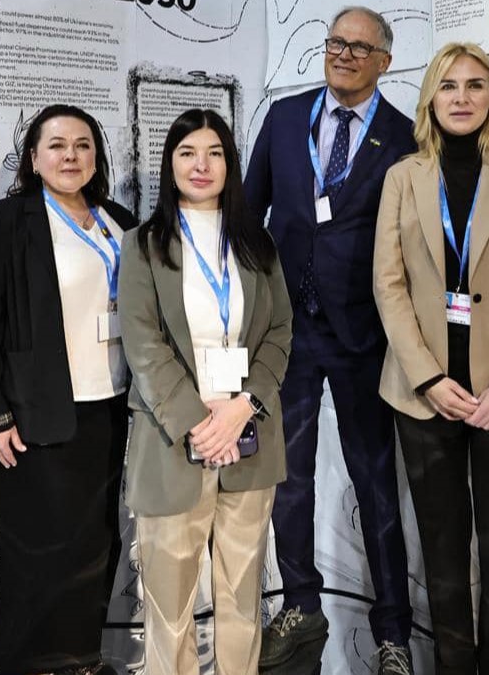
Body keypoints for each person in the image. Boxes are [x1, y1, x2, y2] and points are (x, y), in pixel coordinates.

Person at [373, 42, 489, 675]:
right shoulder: (403, 177)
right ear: (431, 97)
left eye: (476, 85)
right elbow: (388, 285)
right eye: (448, 86)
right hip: (425, 395)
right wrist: (427, 377)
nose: (461, 97)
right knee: (443, 555)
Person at [245, 6, 416, 675]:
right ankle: (300, 607)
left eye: (359, 47)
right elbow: (249, 214)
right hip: (287, 332)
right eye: (335, 43)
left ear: (384, 61)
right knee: (288, 478)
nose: (343, 54)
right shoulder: (286, 118)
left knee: (376, 485)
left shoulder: (404, 136)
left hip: (362, 336)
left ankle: (393, 633)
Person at [0, 104, 135, 675]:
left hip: (109, 406)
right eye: (57, 145)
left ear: (96, 158)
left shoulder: (120, 221)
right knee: (37, 551)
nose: (70, 156)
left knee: (95, 543)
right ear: (33, 158)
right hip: (36, 413)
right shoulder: (4, 222)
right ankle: (26, 666)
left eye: (82, 145)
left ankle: (81, 659)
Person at [118, 109, 292, 675]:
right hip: (174, 443)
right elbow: (143, 344)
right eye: (188, 152)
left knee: (242, 599)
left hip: (249, 438)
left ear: (229, 165)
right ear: (170, 164)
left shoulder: (257, 243)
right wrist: (200, 422)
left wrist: (243, 407)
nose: (201, 164)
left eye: (214, 153)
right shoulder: (142, 246)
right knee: (169, 607)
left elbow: (280, 331)